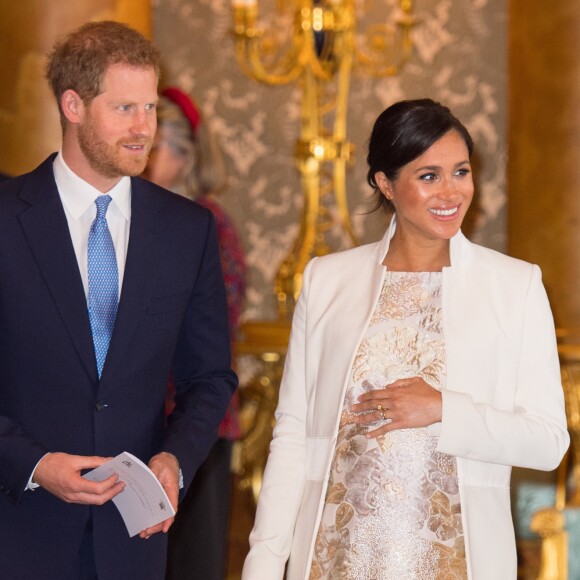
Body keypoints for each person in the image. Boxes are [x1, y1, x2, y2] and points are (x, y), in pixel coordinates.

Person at [241, 99, 570, 579]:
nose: (452, 192)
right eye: (428, 176)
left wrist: (444, 408)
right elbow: (293, 435)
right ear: (385, 184)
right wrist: (264, 565)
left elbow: (547, 442)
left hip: (457, 561)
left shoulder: (514, 286)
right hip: (333, 559)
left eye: (461, 171)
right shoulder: (327, 280)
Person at [0, 21, 237, 580]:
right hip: (16, 531)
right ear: (73, 105)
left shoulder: (188, 230)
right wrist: (33, 464)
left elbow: (210, 378)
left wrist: (174, 460)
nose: (144, 129)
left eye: (150, 108)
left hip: (134, 544)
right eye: (125, 108)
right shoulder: (6, 220)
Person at [144, 87, 246, 580]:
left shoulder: (207, 224)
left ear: (185, 156)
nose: (142, 152)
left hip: (197, 431)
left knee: (190, 564)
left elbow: (213, 336)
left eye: (156, 143)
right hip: (137, 426)